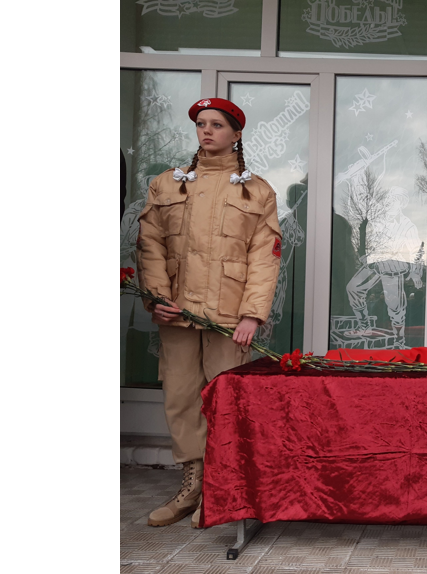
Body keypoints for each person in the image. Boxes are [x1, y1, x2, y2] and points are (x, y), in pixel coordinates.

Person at [136, 97, 282, 528]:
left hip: (227, 318)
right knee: (180, 398)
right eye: (201, 124)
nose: (207, 131)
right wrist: (157, 299)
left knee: (223, 401)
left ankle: (219, 488)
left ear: (236, 134)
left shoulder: (256, 191)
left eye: (217, 124)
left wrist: (252, 315)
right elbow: (150, 245)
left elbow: (265, 256)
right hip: (177, 313)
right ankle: (191, 484)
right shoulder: (167, 185)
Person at [344, 186, 424, 348]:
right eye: (388, 202)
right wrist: (365, 256)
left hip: (394, 266)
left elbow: (417, 251)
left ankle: (399, 340)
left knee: (395, 305)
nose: (388, 205)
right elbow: (370, 242)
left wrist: (416, 273)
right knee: (353, 287)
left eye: (393, 202)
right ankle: (364, 326)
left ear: (400, 204)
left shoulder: (408, 226)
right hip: (375, 264)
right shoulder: (379, 220)